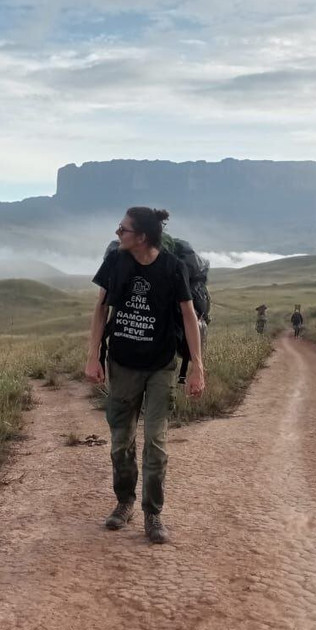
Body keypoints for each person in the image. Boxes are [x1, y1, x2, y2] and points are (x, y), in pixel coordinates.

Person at [84, 207, 206, 544]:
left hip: (160, 365)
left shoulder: (172, 268)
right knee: (120, 441)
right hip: (122, 363)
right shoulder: (116, 262)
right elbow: (101, 308)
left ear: (142, 237)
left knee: (155, 440)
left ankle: (153, 513)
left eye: (122, 229)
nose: (117, 234)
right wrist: (93, 356)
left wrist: (197, 366)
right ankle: (124, 502)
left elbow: (188, 315)